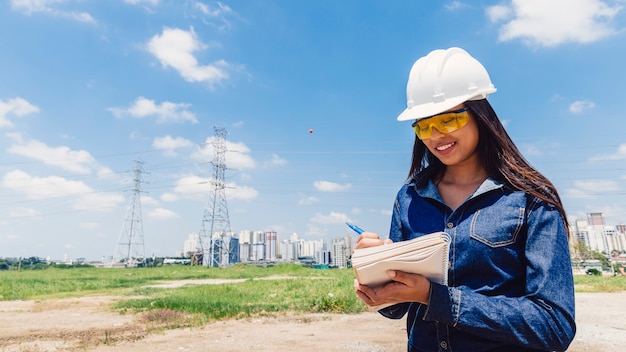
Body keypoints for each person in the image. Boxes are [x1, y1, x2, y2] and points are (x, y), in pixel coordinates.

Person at [353, 47, 576, 352]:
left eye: (448, 120)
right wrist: (376, 278)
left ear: (480, 115)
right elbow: (398, 308)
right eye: (424, 126)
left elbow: (554, 325)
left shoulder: (531, 200)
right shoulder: (409, 197)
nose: (436, 136)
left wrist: (437, 298)